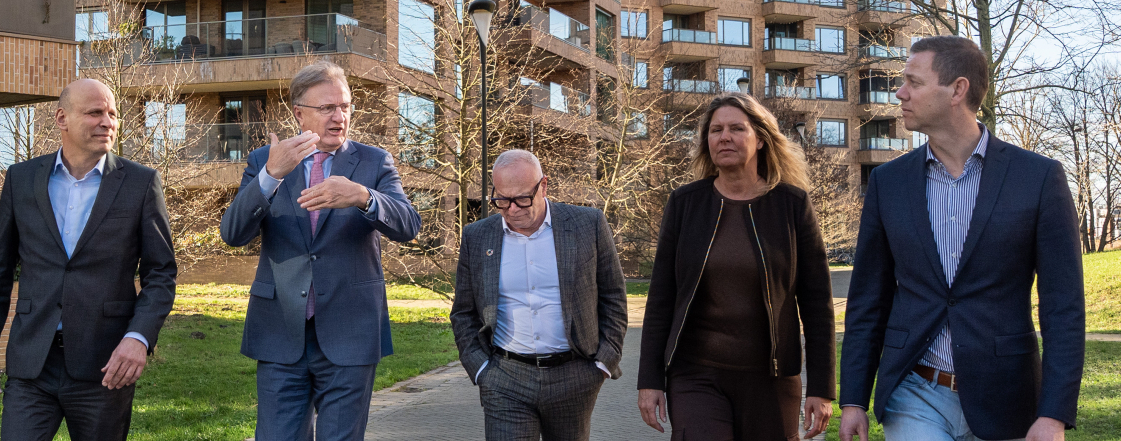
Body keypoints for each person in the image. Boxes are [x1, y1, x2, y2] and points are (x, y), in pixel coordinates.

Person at [838, 36, 1085, 441]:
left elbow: (1064, 307)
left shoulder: (1038, 178)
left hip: (1007, 398)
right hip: (914, 392)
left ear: (957, 90)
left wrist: (1053, 414)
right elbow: (868, 299)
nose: (900, 93)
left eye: (914, 82)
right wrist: (853, 400)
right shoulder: (888, 182)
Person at [220, 62, 423, 441]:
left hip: (351, 331)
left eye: (345, 106)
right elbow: (233, 233)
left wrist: (363, 196)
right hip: (281, 333)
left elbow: (408, 224)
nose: (339, 117)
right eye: (327, 108)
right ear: (299, 113)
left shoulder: (374, 161)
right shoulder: (265, 160)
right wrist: (271, 176)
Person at [0, 78, 180, 441]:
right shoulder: (22, 179)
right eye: (95, 113)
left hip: (106, 364)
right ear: (62, 119)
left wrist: (139, 338)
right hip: (33, 362)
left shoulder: (140, 183)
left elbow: (161, 274)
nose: (108, 122)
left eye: (112, 114)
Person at [636, 93, 837, 440]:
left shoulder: (791, 206)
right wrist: (650, 380)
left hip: (771, 379)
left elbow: (818, 304)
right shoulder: (685, 204)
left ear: (760, 139)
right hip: (695, 375)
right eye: (715, 130)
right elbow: (661, 300)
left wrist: (820, 387)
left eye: (736, 129)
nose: (724, 137)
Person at [449, 150, 629, 441]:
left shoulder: (588, 224)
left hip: (574, 376)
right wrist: (481, 369)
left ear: (543, 186)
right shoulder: (477, 236)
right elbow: (463, 312)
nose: (512, 209)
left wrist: (602, 364)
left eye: (522, 198)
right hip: (504, 378)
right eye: (502, 200)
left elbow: (614, 296)